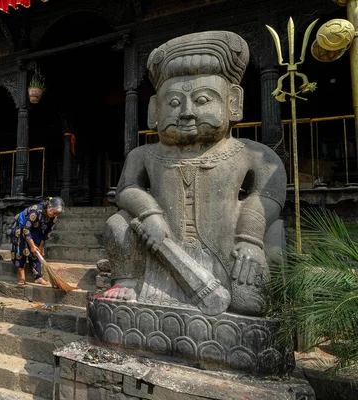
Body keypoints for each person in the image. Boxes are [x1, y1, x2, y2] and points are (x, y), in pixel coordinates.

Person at [102, 31, 286, 316]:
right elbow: (127, 190)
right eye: (174, 103)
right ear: (155, 111)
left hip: (230, 245)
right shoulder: (144, 155)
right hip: (159, 246)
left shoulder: (250, 153)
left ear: (233, 102)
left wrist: (250, 237)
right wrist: (150, 213)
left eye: (202, 100)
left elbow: (269, 193)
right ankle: (127, 279)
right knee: (118, 223)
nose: (187, 112)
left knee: (250, 304)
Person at [10, 196, 65, 286]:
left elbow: (47, 233)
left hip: (36, 229)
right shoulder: (36, 212)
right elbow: (26, 229)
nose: (54, 215)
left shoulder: (54, 217)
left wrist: (41, 246)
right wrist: (32, 246)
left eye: (56, 214)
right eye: (53, 212)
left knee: (37, 251)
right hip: (21, 227)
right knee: (21, 249)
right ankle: (22, 277)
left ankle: (38, 277)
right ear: (49, 207)